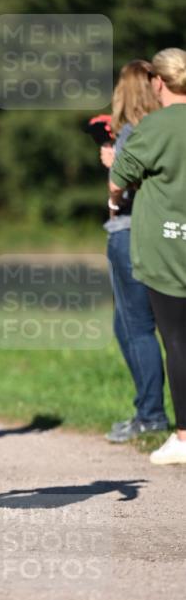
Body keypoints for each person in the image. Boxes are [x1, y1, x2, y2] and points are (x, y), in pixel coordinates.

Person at [109, 47, 186, 465]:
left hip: (166, 249)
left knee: (175, 340)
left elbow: (120, 176)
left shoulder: (155, 126)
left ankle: (180, 434)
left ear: (159, 82)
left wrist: (113, 196)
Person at [99, 60, 167, 442]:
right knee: (147, 326)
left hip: (128, 232)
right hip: (163, 235)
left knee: (136, 326)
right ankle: (149, 408)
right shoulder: (164, 130)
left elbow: (121, 188)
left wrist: (113, 165)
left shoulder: (130, 134)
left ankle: (150, 414)